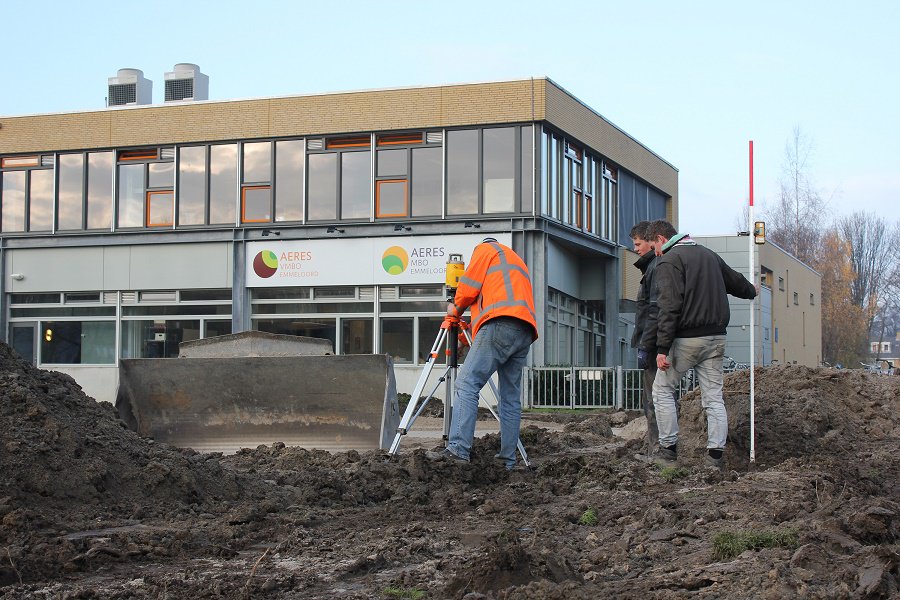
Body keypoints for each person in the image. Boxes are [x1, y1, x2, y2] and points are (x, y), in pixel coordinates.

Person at [648, 220, 758, 469]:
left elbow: (669, 306)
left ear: (661, 239)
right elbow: (736, 282)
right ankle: (715, 456)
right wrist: (752, 290)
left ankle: (668, 451)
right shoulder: (710, 255)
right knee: (713, 397)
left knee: (662, 390)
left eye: (654, 246)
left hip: (687, 339)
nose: (655, 252)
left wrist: (662, 348)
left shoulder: (669, 260)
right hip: (717, 338)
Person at [427, 237, 538, 470]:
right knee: (509, 398)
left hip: (500, 323)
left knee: (467, 383)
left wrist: (455, 308)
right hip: (524, 330)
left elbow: (468, 287)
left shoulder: (486, 250)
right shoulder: (515, 260)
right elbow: (493, 302)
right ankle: (508, 460)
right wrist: (464, 337)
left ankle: (458, 449)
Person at [628, 221, 660, 457]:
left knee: (654, 399)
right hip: (652, 343)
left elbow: (654, 311)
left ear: (652, 241)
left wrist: (646, 346)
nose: (636, 249)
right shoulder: (651, 269)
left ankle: (658, 451)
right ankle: (655, 448)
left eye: (638, 244)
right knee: (651, 399)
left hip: (654, 345)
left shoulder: (656, 269)